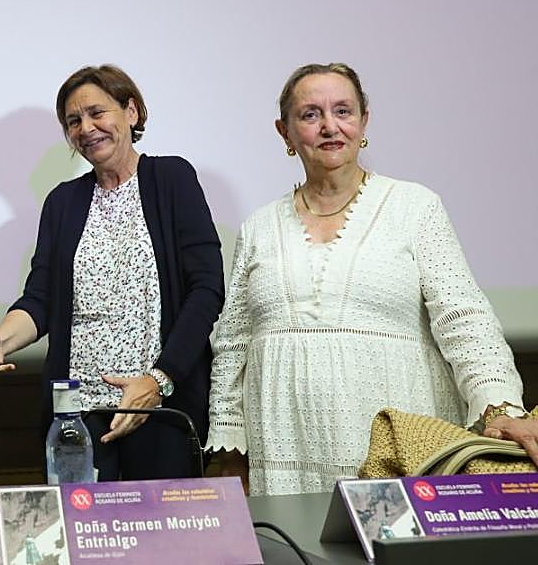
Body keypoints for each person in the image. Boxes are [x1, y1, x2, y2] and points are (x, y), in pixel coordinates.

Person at [207, 63, 527, 495]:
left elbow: (465, 319)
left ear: (364, 122)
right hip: (285, 460)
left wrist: (500, 406)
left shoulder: (414, 207)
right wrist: (229, 448)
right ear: (284, 132)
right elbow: (233, 345)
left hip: (401, 452)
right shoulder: (258, 227)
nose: (329, 126)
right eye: (310, 114)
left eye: (343, 111)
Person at [0, 64, 224, 481]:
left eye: (97, 113)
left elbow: (207, 288)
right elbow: (41, 298)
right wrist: (3, 339)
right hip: (78, 420)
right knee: (83, 539)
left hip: (158, 407)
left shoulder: (172, 178)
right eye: (73, 121)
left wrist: (159, 380)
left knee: (163, 541)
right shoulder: (62, 203)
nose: (86, 128)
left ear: (132, 112)